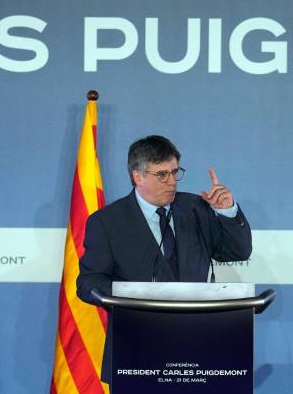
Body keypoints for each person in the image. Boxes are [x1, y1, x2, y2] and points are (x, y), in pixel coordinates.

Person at [76, 135, 252, 381]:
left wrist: (227, 211)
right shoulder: (107, 222)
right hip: (137, 348)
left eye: (175, 172)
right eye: (162, 174)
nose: (172, 182)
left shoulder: (195, 207)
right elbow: (88, 284)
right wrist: (133, 294)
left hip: (198, 345)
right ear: (138, 176)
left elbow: (237, 252)